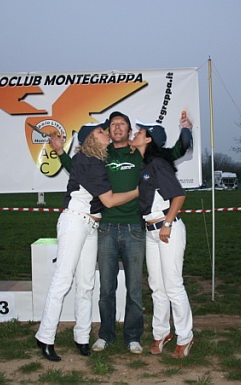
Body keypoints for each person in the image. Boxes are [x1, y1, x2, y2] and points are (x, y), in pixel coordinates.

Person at [50, 110, 192, 354]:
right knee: (106, 288)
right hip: (106, 228)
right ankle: (105, 335)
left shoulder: (142, 154)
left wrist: (186, 129)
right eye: (113, 124)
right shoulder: (101, 153)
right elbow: (77, 168)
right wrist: (61, 152)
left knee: (135, 288)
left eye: (122, 124)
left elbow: (178, 150)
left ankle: (133, 337)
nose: (116, 127)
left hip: (136, 228)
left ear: (129, 130)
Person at [34, 122, 138, 362]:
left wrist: (59, 150)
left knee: (86, 284)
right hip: (74, 222)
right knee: (62, 281)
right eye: (101, 131)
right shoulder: (88, 161)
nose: (107, 133)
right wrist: (138, 191)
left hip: (90, 226)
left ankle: (81, 337)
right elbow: (109, 201)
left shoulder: (92, 160)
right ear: (90, 139)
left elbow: (73, 167)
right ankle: (45, 337)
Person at [130, 121, 194, 358]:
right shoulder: (145, 165)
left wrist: (166, 224)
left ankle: (185, 336)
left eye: (140, 132)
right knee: (156, 286)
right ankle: (161, 333)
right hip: (151, 232)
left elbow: (178, 195)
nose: (135, 134)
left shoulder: (157, 163)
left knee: (173, 285)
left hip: (168, 230)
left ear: (149, 140)